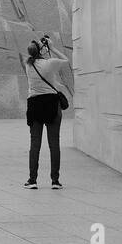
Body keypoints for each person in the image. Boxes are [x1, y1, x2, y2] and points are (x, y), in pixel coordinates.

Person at [22, 35, 72, 189]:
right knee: (54, 143)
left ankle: (32, 180)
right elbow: (66, 60)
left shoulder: (28, 64)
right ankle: (55, 181)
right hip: (51, 105)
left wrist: (42, 48)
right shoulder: (50, 63)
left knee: (35, 144)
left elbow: (34, 57)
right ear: (41, 49)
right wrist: (52, 47)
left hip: (35, 105)